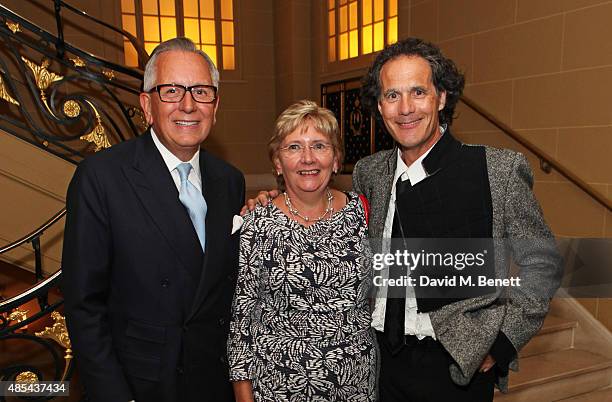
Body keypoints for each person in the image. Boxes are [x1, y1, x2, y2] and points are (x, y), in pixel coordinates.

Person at [248, 38, 562, 401]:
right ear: (380, 106)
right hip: (376, 363)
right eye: (392, 95)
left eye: (418, 91)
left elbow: (544, 263)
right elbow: (324, 213)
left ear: (441, 98)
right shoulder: (370, 172)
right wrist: (273, 200)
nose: (406, 108)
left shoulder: (497, 170)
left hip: (455, 366)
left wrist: (501, 344)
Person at [61, 37, 244, 402]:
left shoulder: (230, 180)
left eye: (201, 92)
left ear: (216, 104)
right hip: (142, 384)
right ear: (147, 105)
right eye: (172, 90)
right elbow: (84, 305)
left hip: (213, 382)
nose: (189, 105)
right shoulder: (102, 177)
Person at [228, 100, 377, 401]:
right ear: (278, 163)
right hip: (278, 386)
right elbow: (241, 318)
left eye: (320, 146)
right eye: (294, 147)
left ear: (336, 159)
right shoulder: (256, 222)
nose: (308, 158)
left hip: (356, 384)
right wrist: (243, 394)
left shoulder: (363, 212)